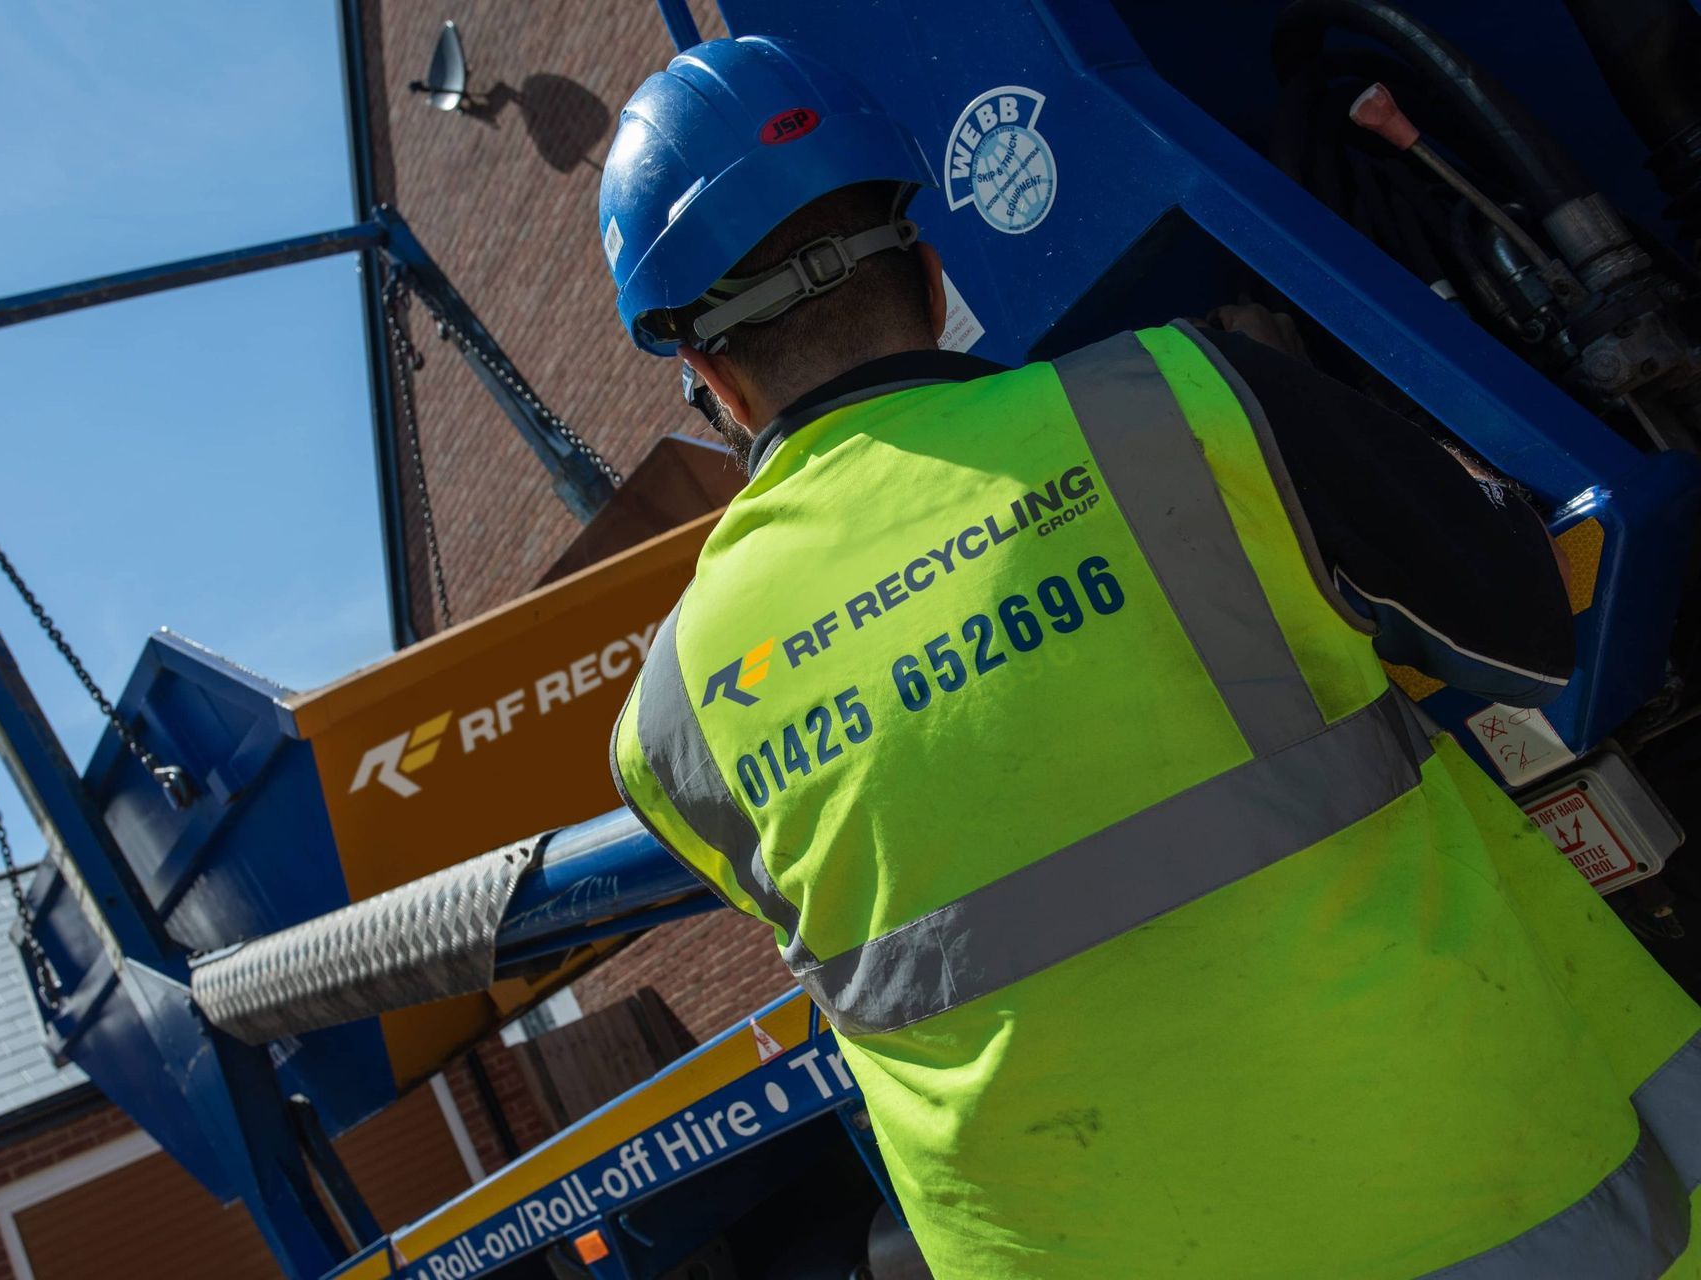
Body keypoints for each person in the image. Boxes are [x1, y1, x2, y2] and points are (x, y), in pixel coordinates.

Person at [600, 35, 1701, 1279]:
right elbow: (1524, 621)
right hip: (1512, 1213)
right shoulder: (1182, 400)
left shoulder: (671, 721)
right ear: (926, 260)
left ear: (707, 375)